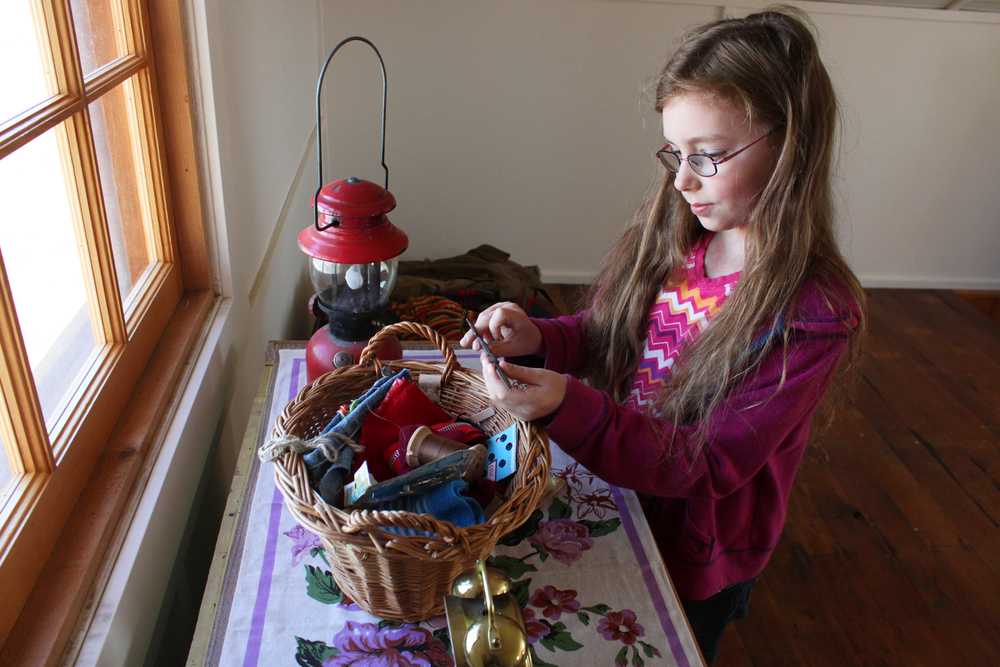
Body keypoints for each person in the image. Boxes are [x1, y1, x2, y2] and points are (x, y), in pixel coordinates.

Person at [459, 6, 866, 664]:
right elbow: (608, 334)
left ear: (792, 143)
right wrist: (537, 335)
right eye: (674, 154)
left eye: (706, 156)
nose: (681, 179)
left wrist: (567, 402)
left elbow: (709, 463)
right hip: (627, 489)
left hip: (695, 551)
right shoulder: (680, 240)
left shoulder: (813, 314)